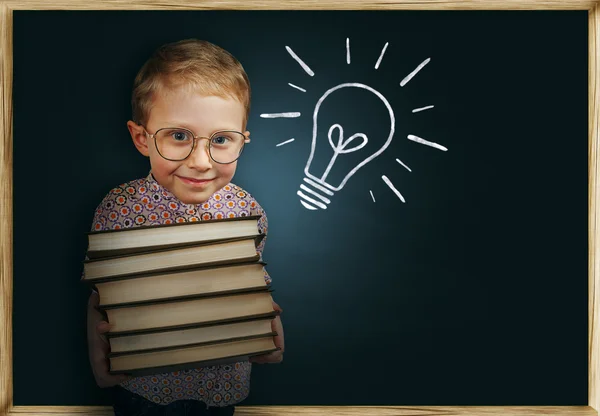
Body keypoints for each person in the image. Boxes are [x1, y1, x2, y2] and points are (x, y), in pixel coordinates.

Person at [85, 38, 285, 416]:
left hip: (224, 385)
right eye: (179, 136)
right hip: (145, 389)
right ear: (141, 137)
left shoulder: (247, 210)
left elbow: (251, 289)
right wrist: (100, 360)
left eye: (222, 140)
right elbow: (102, 298)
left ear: (243, 140)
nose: (200, 162)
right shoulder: (119, 208)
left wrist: (270, 337)